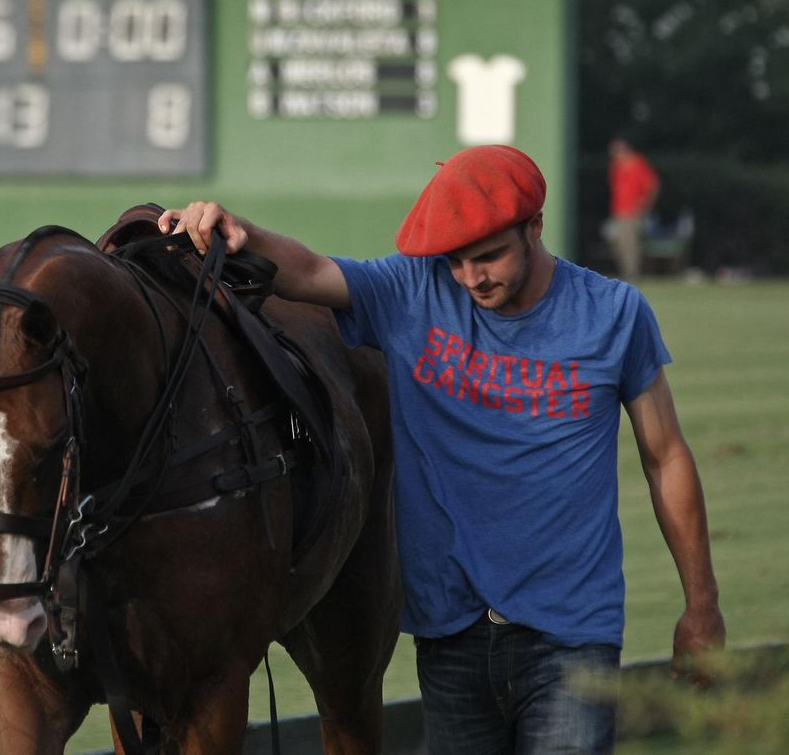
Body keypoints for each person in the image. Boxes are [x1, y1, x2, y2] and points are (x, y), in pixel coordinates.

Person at [159, 145, 724, 755]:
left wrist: (702, 606)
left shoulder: (614, 314)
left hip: (572, 637)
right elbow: (308, 270)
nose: (472, 277)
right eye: (455, 261)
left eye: (489, 256)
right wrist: (237, 229)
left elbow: (665, 458)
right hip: (450, 633)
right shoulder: (411, 290)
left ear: (535, 226)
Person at [606, 137, 659, 283]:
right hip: (619, 211)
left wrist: (644, 205)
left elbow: (652, 185)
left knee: (630, 244)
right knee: (617, 242)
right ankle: (627, 272)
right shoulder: (616, 167)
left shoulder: (638, 164)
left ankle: (632, 274)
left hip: (633, 213)